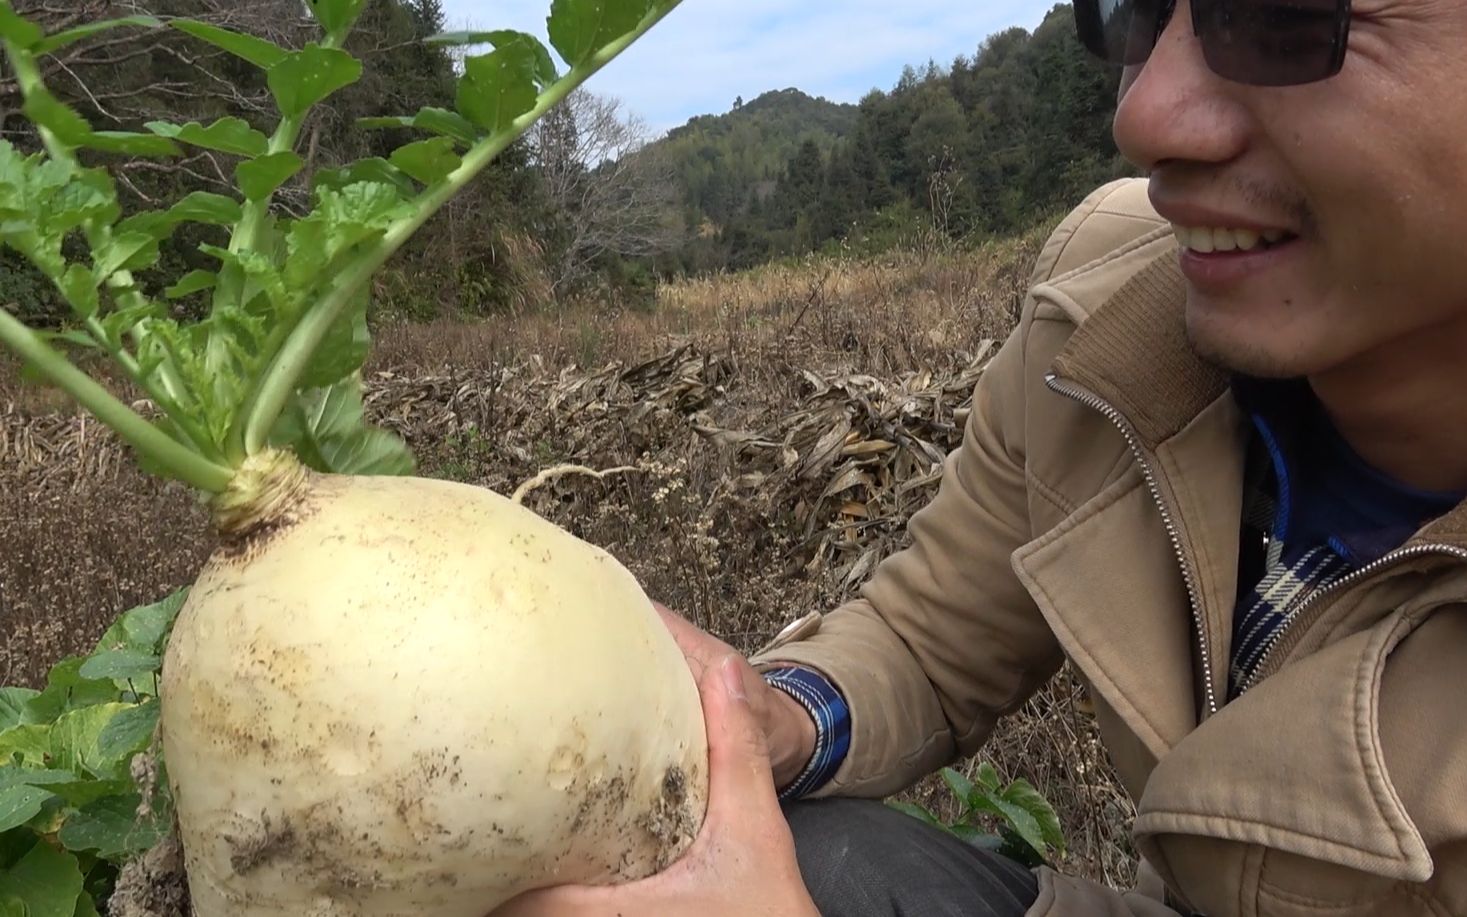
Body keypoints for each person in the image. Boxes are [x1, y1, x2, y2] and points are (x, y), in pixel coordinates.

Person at [499, 0, 1467, 912]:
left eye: (1282, 16)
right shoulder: (1118, 308)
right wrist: (769, 717)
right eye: (1130, 9)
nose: (1145, 115)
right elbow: (933, 638)